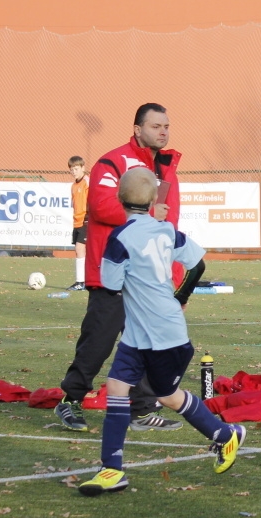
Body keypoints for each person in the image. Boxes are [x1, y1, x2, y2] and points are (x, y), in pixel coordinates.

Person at [77, 168, 244, 495]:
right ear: (154, 199)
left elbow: (110, 284)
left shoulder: (120, 238)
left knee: (167, 396)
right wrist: (180, 296)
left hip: (164, 336)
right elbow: (197, 264)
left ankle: (226, 435)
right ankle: (112, 470)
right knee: (116, 388)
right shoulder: (167, 230)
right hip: (142, 334)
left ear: (118, 198)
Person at [55, 103, 183, 432]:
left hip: (147, 277)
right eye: (155, 126)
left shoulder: (167, 169)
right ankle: (70, 400)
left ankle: (142, 410)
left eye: (166, 126)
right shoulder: (113, 161)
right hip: (112, 271)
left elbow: (169, 227)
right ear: (137, 129)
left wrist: (173, 278)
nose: (163, 131)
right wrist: (147, 213)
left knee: (148, 342)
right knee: (99, 340)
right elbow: (100, 207)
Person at [68, 155, 89, 291]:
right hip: (77, 222)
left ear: (83, 168)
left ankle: (81, 282)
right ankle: (84, 281)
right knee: (80, 251)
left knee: (80, 249)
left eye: (76, 169)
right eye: (72, 169)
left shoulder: (87, 182)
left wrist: (89, 217)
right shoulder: (73, 186)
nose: (74, 171)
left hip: (86, 221)